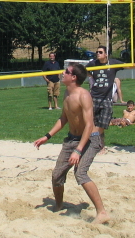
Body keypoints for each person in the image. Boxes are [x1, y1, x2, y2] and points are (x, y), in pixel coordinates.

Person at [33, 62, 109, 224]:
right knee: (57, 175)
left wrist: (78, 150)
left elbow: (89, 125)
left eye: (66, 72)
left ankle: (102, 212)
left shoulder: (84, 95)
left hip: (90, 139)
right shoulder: (67, 93)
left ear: (73, 77)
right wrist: (47, 136)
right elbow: (64, 118)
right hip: (72, 139)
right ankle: (59, 205)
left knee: (80, 173)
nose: (63, 73)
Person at [88, 46, 119, 150]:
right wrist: (91, 76)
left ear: (106, 54)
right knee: (93, 122)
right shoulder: (93, 63)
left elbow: (128, 66)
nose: (98, 53)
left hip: (106, 98)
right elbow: (83, 70)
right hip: (94, 97)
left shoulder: (113, 63)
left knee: (102, 124)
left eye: (100, 52)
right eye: (97, 52)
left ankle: (96, 142)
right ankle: (99, 146)